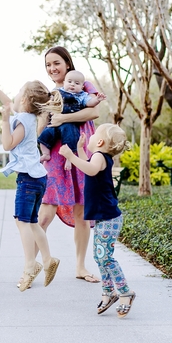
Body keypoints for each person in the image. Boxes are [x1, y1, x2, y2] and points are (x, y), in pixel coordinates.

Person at [0, 73, 63, 291]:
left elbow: (8, 144)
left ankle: (31, 265)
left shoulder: (22, 121)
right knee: (32, 221)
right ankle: (47, 260)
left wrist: (3, 121)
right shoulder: (28, 117)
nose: (15, 95)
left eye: (19, 91)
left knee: (23, 222)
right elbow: (8, 101)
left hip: (27, 179)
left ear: (26, 100)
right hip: (38, 178)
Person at [37, 46, 101, 283]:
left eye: (57, 63)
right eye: (48, 65)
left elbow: (93, 113)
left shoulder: (84, 83)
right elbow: (44, 124)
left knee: (82, 212)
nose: (52, 69)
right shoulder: (51, 93)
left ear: (67, 63)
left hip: (82, 150)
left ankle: (81, 267)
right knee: (45, 212)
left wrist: (64, 117)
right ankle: (29, 266)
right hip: (55, 154)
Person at [59, 124, 136, 318]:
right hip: (105, 217)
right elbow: (89, 167)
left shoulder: (100, 157)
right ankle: (108, 292)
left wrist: (70, 156)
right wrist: (78, 149)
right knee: (100, 256)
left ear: (100, 142)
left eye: (94, 136)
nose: (90, 137)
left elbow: (91, 170)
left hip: (109, 218)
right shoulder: (99, 158)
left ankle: (125, 292)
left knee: (105, 258)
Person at [38, 69, 106, 171]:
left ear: (82, 87)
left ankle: (69, 159)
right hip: (56, 124)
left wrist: (97, 100)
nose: (72, 85)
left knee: (70, 138)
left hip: (70, 123)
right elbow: (50, 105)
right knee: (45, 135)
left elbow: (90, 104)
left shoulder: (82, 96)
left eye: (76, 83)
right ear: (64, 83)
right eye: (69, 82)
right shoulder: (57, 92)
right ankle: (45, 153)